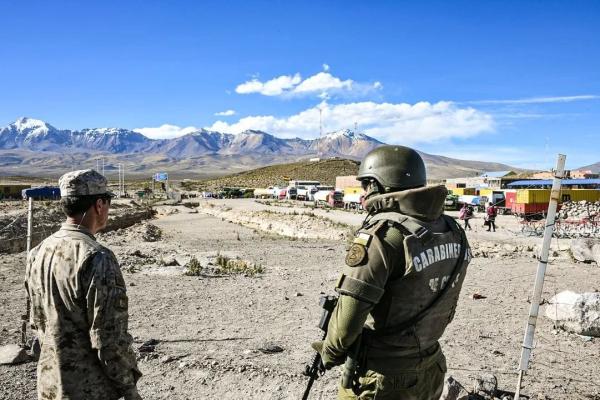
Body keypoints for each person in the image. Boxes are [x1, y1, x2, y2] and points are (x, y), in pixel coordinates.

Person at [312, 145, 471, 400]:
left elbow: (345, 327)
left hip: (384, 380)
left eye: (366, 185)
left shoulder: (383, 236)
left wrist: (328, 354)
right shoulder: (452, 230)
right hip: (431, 367)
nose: (363, 193)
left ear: (379, 185)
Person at [25, 169, 142, 400]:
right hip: (89, 388)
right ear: (99, 205)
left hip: (49, 386)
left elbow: (38, 322)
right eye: (107, 203)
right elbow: (108, 340)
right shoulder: (97, 257)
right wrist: (129, 390)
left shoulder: (37, 252)